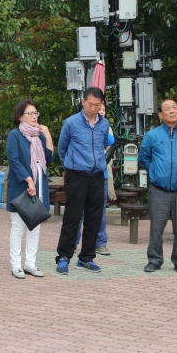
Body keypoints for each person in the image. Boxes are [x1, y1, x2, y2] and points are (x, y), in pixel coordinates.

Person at [138, 99, 177, 275]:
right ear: (160, 115)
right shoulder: (152, 136)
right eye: (167, 109)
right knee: (156, 227)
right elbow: (143, 158)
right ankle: (154, 260)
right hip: (158, 189)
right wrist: (156, 172)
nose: (172, 111)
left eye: (174, 108)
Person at [54, 87, 110, 274]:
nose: (93, 108)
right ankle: (64, 257)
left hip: (97, 177)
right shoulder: (71, 123)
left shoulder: (104, 124)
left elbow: (103, 146)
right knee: (72, 218)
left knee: (94, 219)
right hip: (76, 175)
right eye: (90, 104)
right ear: (83, 102)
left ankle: (86, 258)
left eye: (97, 104)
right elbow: (62, 149)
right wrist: (70, 166)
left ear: (102, 104)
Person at [5, 100, 54, 278]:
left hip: (39, 188)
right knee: (18, 227)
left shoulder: (39, 136)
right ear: (20, 117)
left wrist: (47, 136)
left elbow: (49, 159)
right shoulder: (14, 135)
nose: (35, 116)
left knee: (36, 227)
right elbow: (14, 160)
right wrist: (28, 180)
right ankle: (16, 264)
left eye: (36, 113)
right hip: (21, 188)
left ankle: (30, 264)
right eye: (30, 113)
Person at [75, 105, 116, 255]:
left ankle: (100, 243)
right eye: (98, 109)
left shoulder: (104, 127)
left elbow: (112, 141)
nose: (101, 111)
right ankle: (72, 243)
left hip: (100, 176)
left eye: (103, 109)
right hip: (80, 176)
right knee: (78, 212)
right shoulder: (75, 126)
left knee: (99, 212)